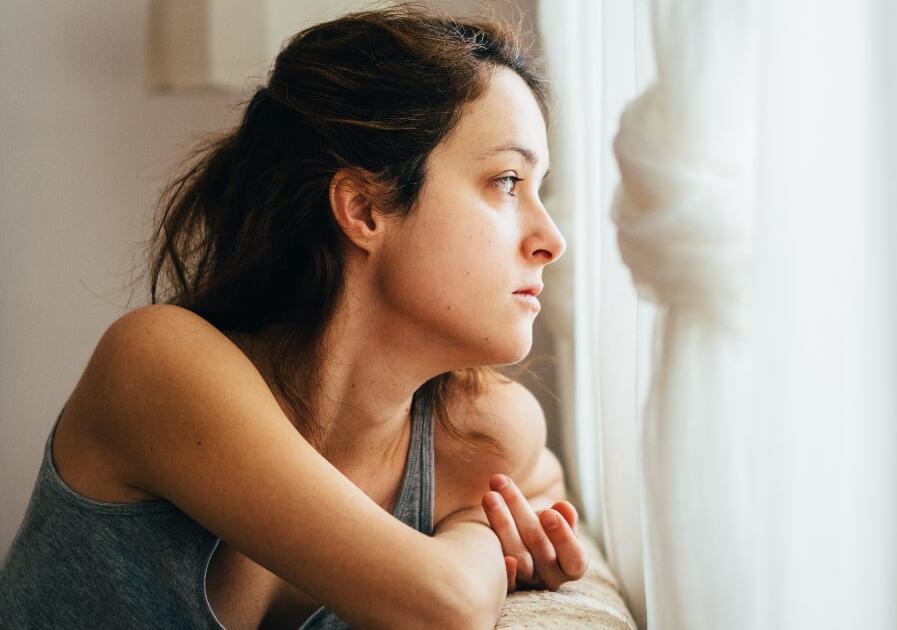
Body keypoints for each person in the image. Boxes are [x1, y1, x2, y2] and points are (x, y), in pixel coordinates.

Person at [0, 4, 587, 628]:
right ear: (364, 208)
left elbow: (542, 488)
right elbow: (444, 607)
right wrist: (482, 535)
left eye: (539, 189)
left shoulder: (479, 432)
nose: (551, 238)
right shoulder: (155, 363)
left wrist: (495, 525)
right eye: (505, 180)